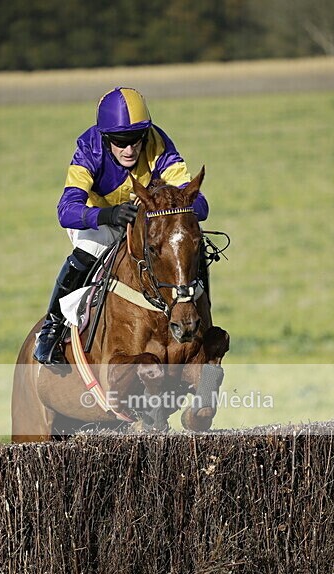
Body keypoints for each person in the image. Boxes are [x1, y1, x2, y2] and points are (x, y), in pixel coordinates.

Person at [34, 86, 209, 365]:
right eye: (120, 141)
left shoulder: (157, 142)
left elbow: (197, 202)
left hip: (146, 219)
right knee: (89, 249)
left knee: (188, 247)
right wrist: (108, 216)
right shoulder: (88, 149)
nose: (129, 149)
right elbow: (66, 211)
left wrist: (178, 211)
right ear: (105, 138)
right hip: (97, 219)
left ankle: (202, 319)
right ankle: (51, 329)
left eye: (135, 140)